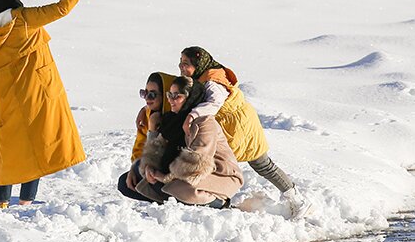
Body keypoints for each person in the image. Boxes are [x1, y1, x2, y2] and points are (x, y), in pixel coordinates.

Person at [0, 0, 99, 207]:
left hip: (5, 94)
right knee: (35, 143)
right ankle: (25, 202)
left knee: (9, 146)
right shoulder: (22, 19)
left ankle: (1, 201)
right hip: (36, 91)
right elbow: (61, 9)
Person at [179, 45, 311, 218]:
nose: (181, 66)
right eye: (181, 62)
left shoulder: (212, 82)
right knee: (223, 164)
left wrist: (192, 115)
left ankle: (298, 201)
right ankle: (217, 202)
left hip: (240, 128)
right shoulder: (203, 76)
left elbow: (214, 103)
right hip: (233, 125)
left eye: (186, 63)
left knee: (259, 165)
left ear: (199, 64)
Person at [133, 75, 242, 208]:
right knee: (136, 182)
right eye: (169, 95)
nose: (171, 100)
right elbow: (158, 148)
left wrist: (164, 177)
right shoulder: (173, 120)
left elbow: (198, 160)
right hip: (189, 173)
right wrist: (150, 166)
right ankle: (172, 200)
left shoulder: (205, 122)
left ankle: (219, 203)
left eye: (176, 96)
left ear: (190, 98)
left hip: (220, 174)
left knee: (180, 189)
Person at [117, 71, 176, 202]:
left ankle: (174, 198)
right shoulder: (147, 115)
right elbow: (140, 149)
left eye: (153, 94)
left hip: (173, 172)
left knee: (153, 178)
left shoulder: (177, 118)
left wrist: (153, 129)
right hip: (152, 169)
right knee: (125, 183)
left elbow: (161, 156)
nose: (148, 98)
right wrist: (134, 168)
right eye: (145, 93)